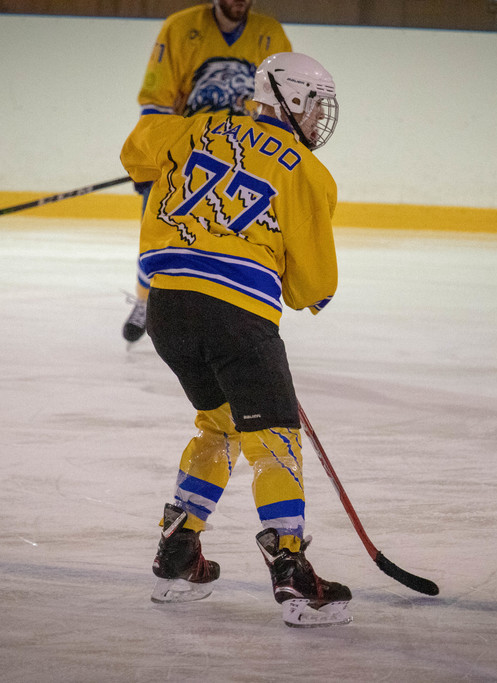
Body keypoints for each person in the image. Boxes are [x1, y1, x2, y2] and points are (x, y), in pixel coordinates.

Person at [119, 51, 350, 627]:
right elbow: (313, 288)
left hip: (167, 310)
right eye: (315, 105)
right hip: (237, 318)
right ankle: (292, 575)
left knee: (219, 426)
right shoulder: (306, 171)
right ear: (292, 100)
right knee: (274, 441)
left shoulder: (195, 127)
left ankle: (177, 552)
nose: (319, 117)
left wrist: (193, 145)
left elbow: (136, 149)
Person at [122, 0, 291, 343]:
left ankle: (240, 311)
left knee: (241, 233)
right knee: (158, 225)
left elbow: (282, 104)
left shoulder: (270, 34)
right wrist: (152, 154)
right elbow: (156, 101)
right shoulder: (180, 28)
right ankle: (145, 298)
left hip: (245, 157)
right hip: (189, 154)